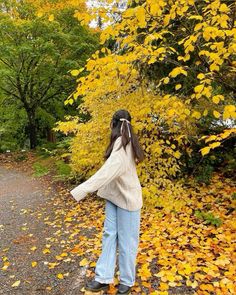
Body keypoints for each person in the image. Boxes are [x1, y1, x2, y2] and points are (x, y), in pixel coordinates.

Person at [70, 109, 145, 295]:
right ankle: (103, 278)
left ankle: (127, 281)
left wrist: (81, 190)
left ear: (114, 124)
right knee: (109, 236)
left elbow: (106, 173)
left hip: (128, 200)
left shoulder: (123, 144)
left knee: (127, 242)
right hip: (114, 197)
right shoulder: (124, 141)